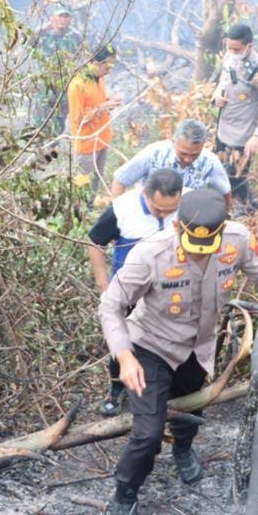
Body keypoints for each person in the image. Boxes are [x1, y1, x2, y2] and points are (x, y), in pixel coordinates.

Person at [99, 188, 258, 515]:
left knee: (193, 409)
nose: (200, 255)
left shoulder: (237, 240)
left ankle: (184, 449)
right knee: (148, 433)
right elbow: (110, 305)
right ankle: (125, 494)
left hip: (198, 348)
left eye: (209, 248)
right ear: (177, 228)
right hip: (150, 348)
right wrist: (124, 355)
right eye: (192, 247)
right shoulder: (151, 254)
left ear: (221, 231)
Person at [87, 168, 184, 415]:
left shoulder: (190, 205)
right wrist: (103, 284)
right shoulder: (123, 208)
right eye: (158, 209)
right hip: (129, 287)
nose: (164, 214)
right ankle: (116, 391)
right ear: (145, 194)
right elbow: (95, 241)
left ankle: (166, 389)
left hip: (171, 287)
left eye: (170, 209)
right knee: (122, 340)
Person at [212, 23, 258, 210]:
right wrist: (217, 97)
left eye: (236, 49)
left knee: (234, 182)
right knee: (222, 177)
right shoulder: (229, 57)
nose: (232, 51)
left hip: (243, 136)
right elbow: (223, 81)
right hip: (223, 129)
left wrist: (257, 136)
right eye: (229, 47)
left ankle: (251, 212)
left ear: (249, 46)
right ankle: (248, 210)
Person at [111, 119, 233, 207]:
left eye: (195, 154)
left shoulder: (210, 162)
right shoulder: (154, 154)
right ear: (174, 141)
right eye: (183, 153)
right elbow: (121, 180)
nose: (188, 159)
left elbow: (225, 192)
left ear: (202, 146)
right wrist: (118, 216)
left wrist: (222, 219)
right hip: (152, 218)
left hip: (187, 222)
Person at [67, 44, 122, 192]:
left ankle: (90, 209)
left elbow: (97, 102)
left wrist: (109, 101)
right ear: (97, 63)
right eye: (107, 67)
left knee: (96, 180)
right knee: (82, 186)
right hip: (86, 145)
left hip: (102, 140)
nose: (109, 71)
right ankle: (78, 213)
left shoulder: (100, 78)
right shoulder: (77, 84)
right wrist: (103, 107)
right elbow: (79, 119)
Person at [32, 6, 84, 138]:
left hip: (64, 84)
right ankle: (40, 145)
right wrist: (43, 30)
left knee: (60, 116)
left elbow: (82, 56)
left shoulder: (75, 36)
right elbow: (28, 43)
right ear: (52, 19)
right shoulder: (43, 34)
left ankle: (53, 143)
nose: (63, 20)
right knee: (41, 116)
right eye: (60, 16)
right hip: (45, 84)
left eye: (66, 17)